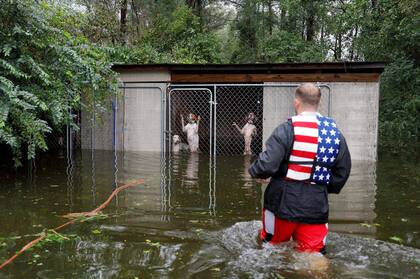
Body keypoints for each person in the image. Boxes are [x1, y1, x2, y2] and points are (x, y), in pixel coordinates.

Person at [248, 83, 351, 254]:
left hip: (282, 203)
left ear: (296, 102)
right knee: (314, 255)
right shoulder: (335, 134)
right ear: (318, 102)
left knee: (271, 248)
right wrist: (321, 186)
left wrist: (257, 172)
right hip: (316, 205)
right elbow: (342, 172)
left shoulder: (287, 129)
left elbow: (267, 164)